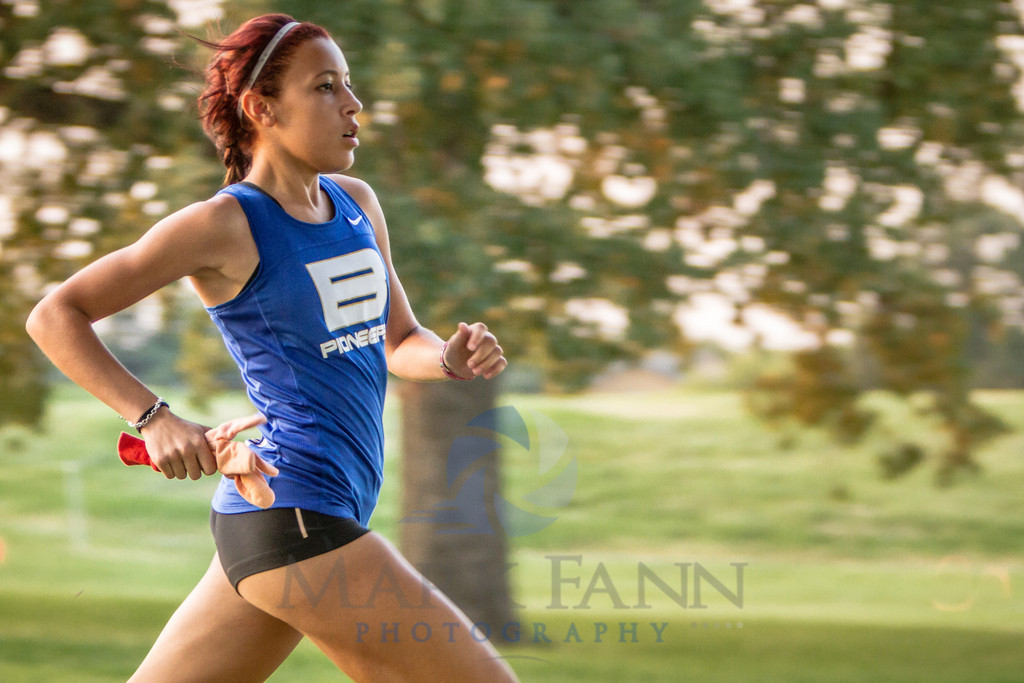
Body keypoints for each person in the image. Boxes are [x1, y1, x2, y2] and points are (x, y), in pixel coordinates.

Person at [26, 13, 517, 682]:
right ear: (262, 108)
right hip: (296, 510)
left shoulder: (356, 205)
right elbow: (57, 314)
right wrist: (154, 416)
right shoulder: (224, 223)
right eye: (324, 87)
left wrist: (447, 360)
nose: (354, 104)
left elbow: (399, 339)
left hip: (285, 520)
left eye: (348, 83)